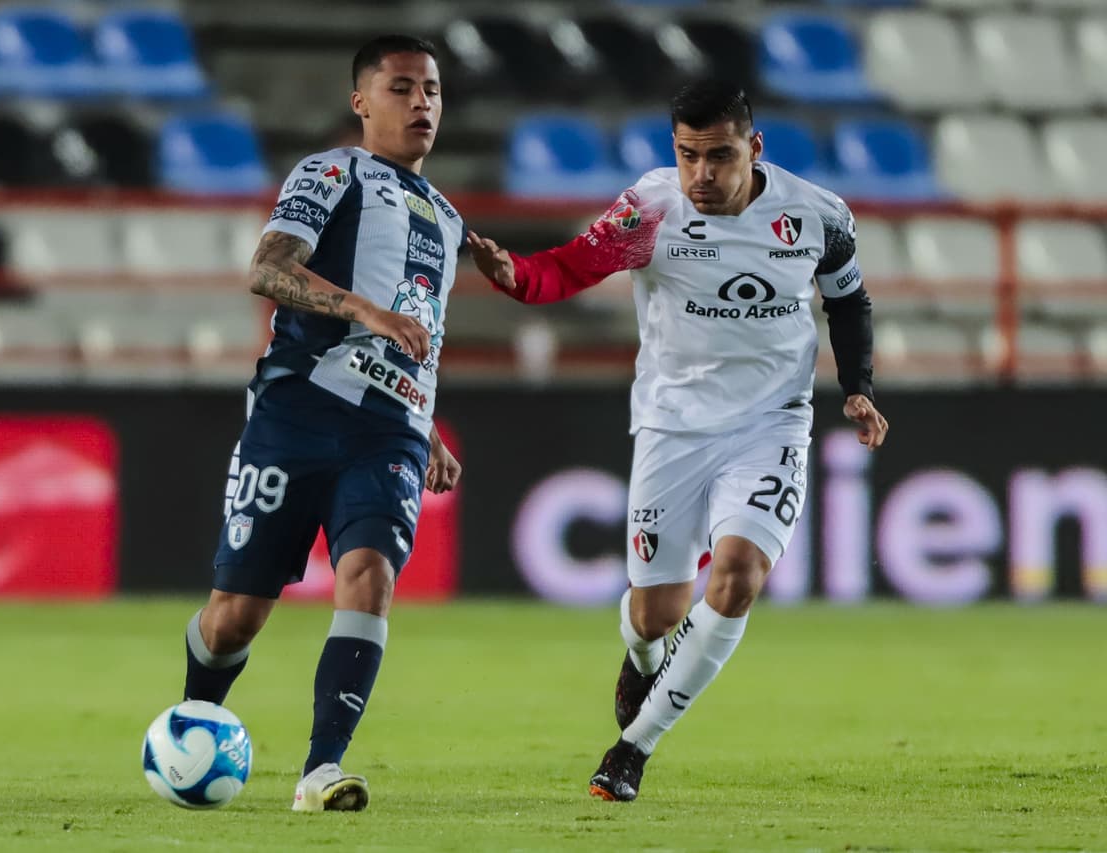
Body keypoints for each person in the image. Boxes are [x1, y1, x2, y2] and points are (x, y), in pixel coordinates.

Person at [468, 79, 889, 802]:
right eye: (688, 155)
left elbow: (848, 297)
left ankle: (632, 748)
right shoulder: (651, 210)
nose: (702, 175)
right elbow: (573, 264)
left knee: (736, 575)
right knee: (653, 614)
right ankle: (642, 657)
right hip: (672, 426)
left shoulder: (817, 216)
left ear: (754, 149)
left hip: (771, 423)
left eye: (719, 156)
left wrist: (858, 384)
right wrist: (516, 277)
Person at [180, 34, 463, 813]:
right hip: (297, 410)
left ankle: (321, 769)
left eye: (432, 90)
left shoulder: (446, 215)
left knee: (369, 576)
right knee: (235, 616)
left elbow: (420, 336)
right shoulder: (331, 172)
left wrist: (426, 421)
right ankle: (196, 717)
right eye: (402, 88)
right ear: (361, 101)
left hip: (389, 432)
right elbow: (266, 268)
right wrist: (359, 309)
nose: (422, 104)